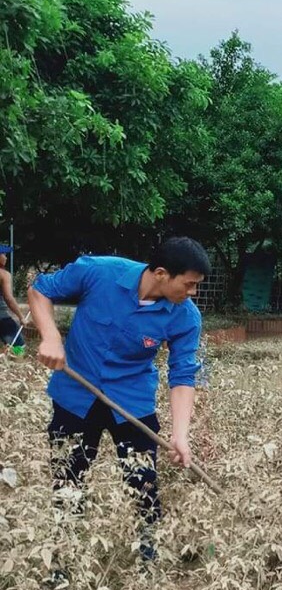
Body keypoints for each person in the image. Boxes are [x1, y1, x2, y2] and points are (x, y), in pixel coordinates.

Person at [27, 238, 209, 561]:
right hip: (75, 393)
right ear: (163, 274)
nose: (193, 292)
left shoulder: (186, 317)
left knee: (143, 482)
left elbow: (182, 375)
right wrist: (51, 336)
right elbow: (40, 290)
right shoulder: (98, 272)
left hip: (132, 401)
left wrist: (180, 434)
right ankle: (62, 560)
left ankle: (149, 556)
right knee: (68, 478)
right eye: (190, 284)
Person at [0, 245, 25, 354]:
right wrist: (21, 317)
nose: (6, 257)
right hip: (1, 318)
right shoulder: (4, 275)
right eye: (3, 254)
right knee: (19, 348)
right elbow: (8, 298)